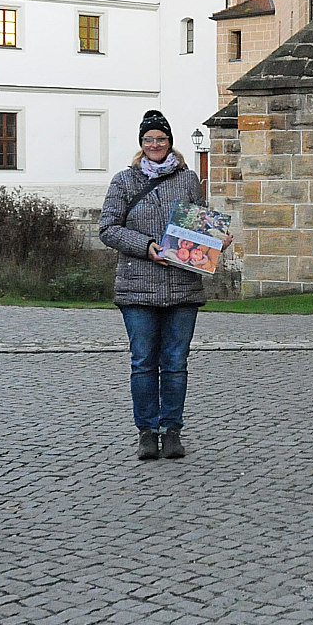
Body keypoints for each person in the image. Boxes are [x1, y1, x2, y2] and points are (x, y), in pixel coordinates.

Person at [99, 110, 224, 461]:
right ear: (141, 145)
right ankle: (146, 431)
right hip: (137, 288)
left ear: (170, 143)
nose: (155, 144)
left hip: (182, 287)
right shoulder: (124, 181)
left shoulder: (187, 180)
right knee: (142, 362)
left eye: (161, 139)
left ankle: (172, 430)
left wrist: (216, 241)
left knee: (175, 362)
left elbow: (200, 226)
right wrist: (145, 246)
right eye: (149, 139)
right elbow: (107, 228)